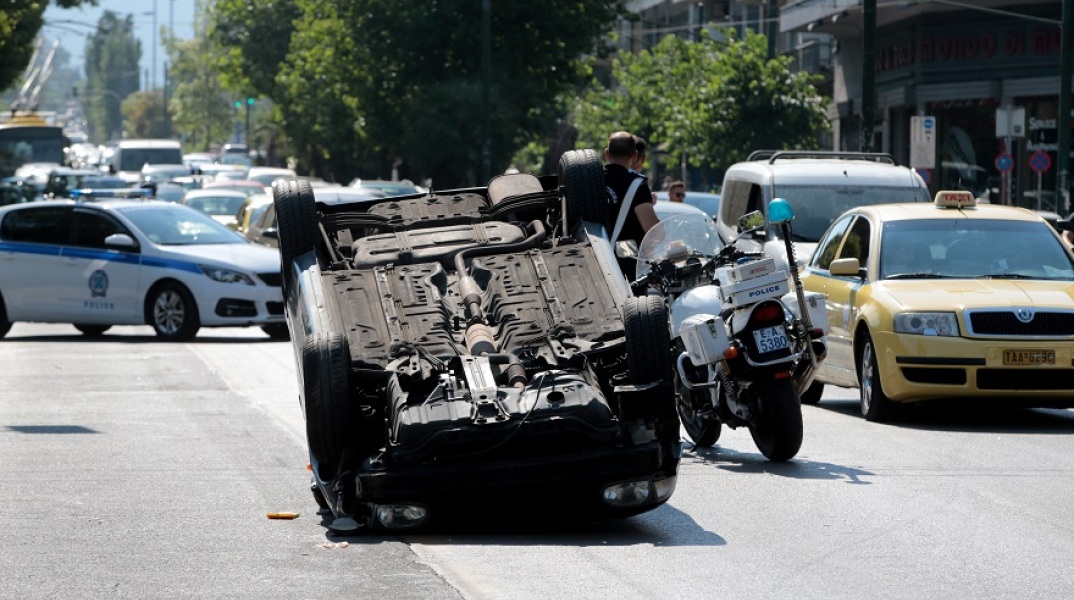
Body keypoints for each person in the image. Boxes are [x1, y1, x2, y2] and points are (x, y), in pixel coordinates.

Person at [604, 131, 660, 278]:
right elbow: (651, 228)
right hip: (627, 265)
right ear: (635, 156)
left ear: (607, 154)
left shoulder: (591, 179)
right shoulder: (637, 184)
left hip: (596, 258)